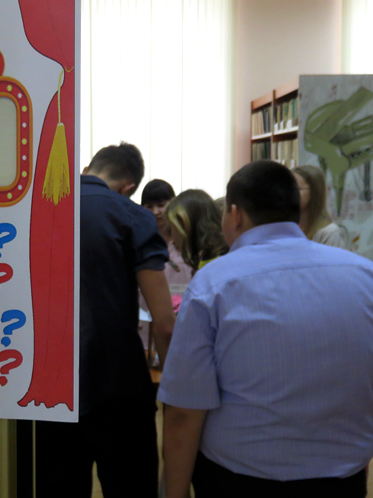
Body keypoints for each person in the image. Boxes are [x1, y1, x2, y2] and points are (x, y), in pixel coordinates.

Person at [159, 160, 373, 498]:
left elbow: (184, 410)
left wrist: (173, 492)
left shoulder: (213, 284)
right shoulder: (372, 278)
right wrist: (359, 446)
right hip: (340, 480)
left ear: (235, 215)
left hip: (238, 479)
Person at [35, 142, 176, 498]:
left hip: (49, 387)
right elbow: (164, 321)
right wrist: (176, 396)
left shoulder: (39, 209)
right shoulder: (132, 216)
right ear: (129, 187)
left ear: (86, 169)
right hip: (119, 385)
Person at [140, 179, 192, 313]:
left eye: (161, 205)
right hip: (149, 311)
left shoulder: (186, 239)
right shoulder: (140, 240)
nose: (156, 211)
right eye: (149, 206)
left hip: (186, 308)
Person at [165, 189, 228, 274]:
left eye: (171, 229)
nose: (172, 236)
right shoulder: (212, 258)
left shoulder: (214, 266)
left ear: (185, 226)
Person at [293, 164, 348, 248]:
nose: (290, 193)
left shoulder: (330, 233)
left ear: (314, 193)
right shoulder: (287, 229)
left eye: (297, 189)